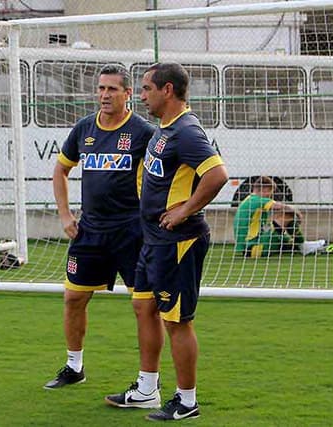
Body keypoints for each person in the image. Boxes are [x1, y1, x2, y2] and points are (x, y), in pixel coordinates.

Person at [104, 62, 228, 421]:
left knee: (177, 321)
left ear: (167, 90)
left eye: (145, 89)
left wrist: (185, 210)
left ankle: (187, 401)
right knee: (143, 307)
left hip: (178, 242)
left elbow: (217, 175)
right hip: (151, 240)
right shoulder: (163, 129)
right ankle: (146, 389)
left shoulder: (187, 132)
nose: (140, 95)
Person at [44, 64, 156, 389]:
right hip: (89, 233)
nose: (104, 95)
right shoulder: (83, 129)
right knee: (73, 299)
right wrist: (65, 215)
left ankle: (147, 381)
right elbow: (60, 171)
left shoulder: (143, 132)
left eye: (112, 89)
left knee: (143, 307)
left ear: (128, 93)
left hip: (131, 233)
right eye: (101, 89)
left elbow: (163, 178)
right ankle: (74, 366)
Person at [233, 176, 327, 258]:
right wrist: (297, 213)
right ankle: (304, 246)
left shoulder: (248, 200)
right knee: (287, 215)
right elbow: (284, 207)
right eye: (270, 192)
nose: (270, 196)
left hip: (247, 248)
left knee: (285, 240)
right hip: (255, 247)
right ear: (264, 189)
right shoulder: (257, 200)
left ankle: (302, 246)